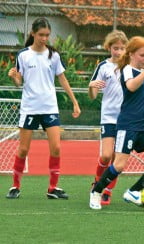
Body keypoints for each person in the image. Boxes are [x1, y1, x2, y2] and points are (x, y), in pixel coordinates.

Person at [89, 36, 144, 210]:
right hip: (127, 125)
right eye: (142, 55)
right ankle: (97, 191)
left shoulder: (141, 73)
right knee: (119, 164)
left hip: (143, 125)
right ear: (131, 54)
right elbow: (131, 86)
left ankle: (134, 191)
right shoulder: (128, 70)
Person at [6, 17, 81, 199]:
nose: (44, 38)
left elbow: (62, 78)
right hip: (30, 108)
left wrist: (75, 101)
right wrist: (13, 77)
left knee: (56, 148)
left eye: (47, 35)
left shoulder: (53, 55)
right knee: (23, 149)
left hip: (49, 107)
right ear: (33, 33)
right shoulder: (23, 55)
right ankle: (15, 186)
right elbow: (19, 82)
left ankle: (52, 188)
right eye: (41, 35)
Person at [88, 30, 128, 205]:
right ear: (109, 48)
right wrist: (91, 86)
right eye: (115, 48)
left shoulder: (129, 67)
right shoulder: (103, 66)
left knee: (116, 158)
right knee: (105, 156)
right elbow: (93, 95)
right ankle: (98, 183)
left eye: (122, 48)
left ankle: (108, 191)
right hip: (108, 117)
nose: (118, 51)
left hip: (125, 118)